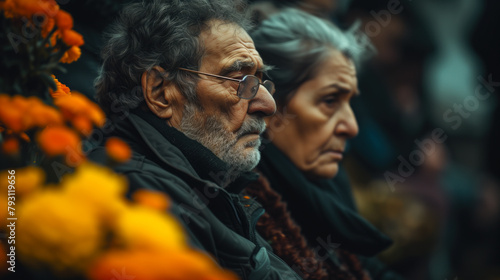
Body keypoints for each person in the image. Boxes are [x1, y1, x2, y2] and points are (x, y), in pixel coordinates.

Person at [87, 1, 302, 279]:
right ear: (161, 92)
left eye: (261, 83)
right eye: (240, 80)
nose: (268, 104)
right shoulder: (140, 192)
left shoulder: (207, 187)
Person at [245, 8, 403, 279]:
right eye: (330, 101)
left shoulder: (331, 193)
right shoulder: (243, 214)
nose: (351, 127)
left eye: (349, 102)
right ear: (270, 106)